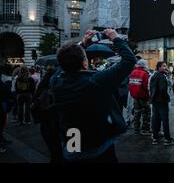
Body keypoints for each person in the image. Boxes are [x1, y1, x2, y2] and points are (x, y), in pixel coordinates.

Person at [51, 29, 136, 162]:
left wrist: (82, 44)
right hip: (97, 146)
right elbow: (129, 60)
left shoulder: (56, 81)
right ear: (85, 63)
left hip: (72, 143)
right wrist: (115, 38)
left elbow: (62, 64)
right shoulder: (95, 81)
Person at [32, 66, 64, 162]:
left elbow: (35, 104)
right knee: (73, 153)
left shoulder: (43, 86)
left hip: (47, 126)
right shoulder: (65, 85)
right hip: (70, 128)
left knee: (55, 153)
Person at [150, 61, 174, 146]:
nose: (166, 68)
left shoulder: (154, 75)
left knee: (156, 119)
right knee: (165, 120)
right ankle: (167, 139)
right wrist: (166, 98)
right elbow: (163, 90)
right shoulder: (161, 77)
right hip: (161, 101)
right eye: (164, 66)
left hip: (155, 101)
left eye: (166, 66)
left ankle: (155, 137)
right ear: (159, 67)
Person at [128, 59, 151, 135]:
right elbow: (146, 86)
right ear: (144, 65)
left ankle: (136, 129)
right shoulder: (145, 74)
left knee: (136, 113)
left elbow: (130, 84)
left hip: (135, 96)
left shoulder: (132, 72)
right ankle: (145, 129)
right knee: (146, 113)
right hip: (143, 97)